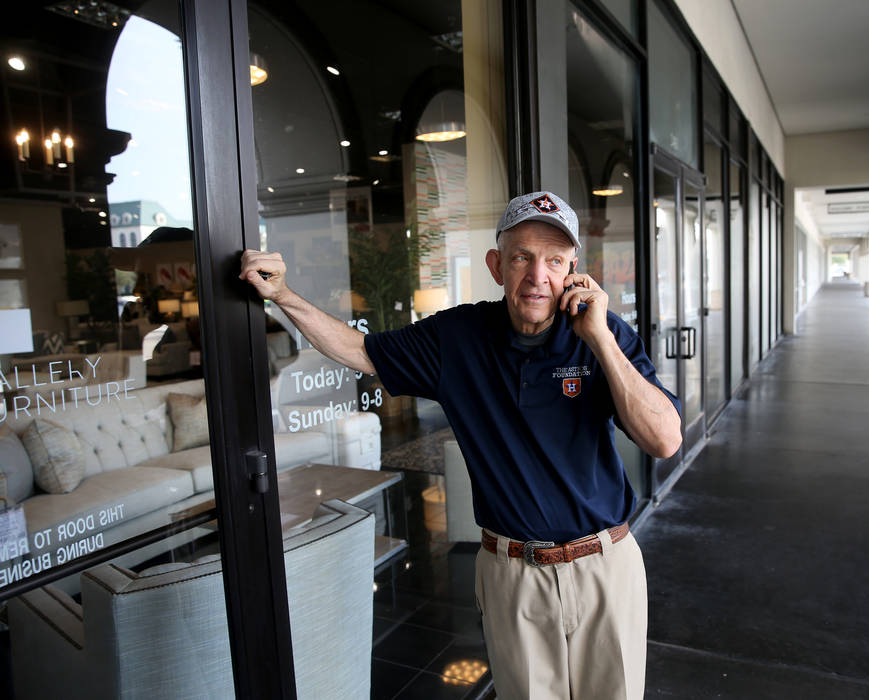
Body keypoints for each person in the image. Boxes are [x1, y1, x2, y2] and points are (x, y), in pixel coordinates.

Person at [240, 191, 682, 699]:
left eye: (554, 261)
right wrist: (284, 295)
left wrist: (600, 340)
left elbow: (665, 439)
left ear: (573, 271)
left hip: (607, 567)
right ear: (497, 265)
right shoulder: (458, 336)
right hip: (514, 574)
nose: (538, 275)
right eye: (522, 257)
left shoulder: (606, 336)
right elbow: (361, 351)